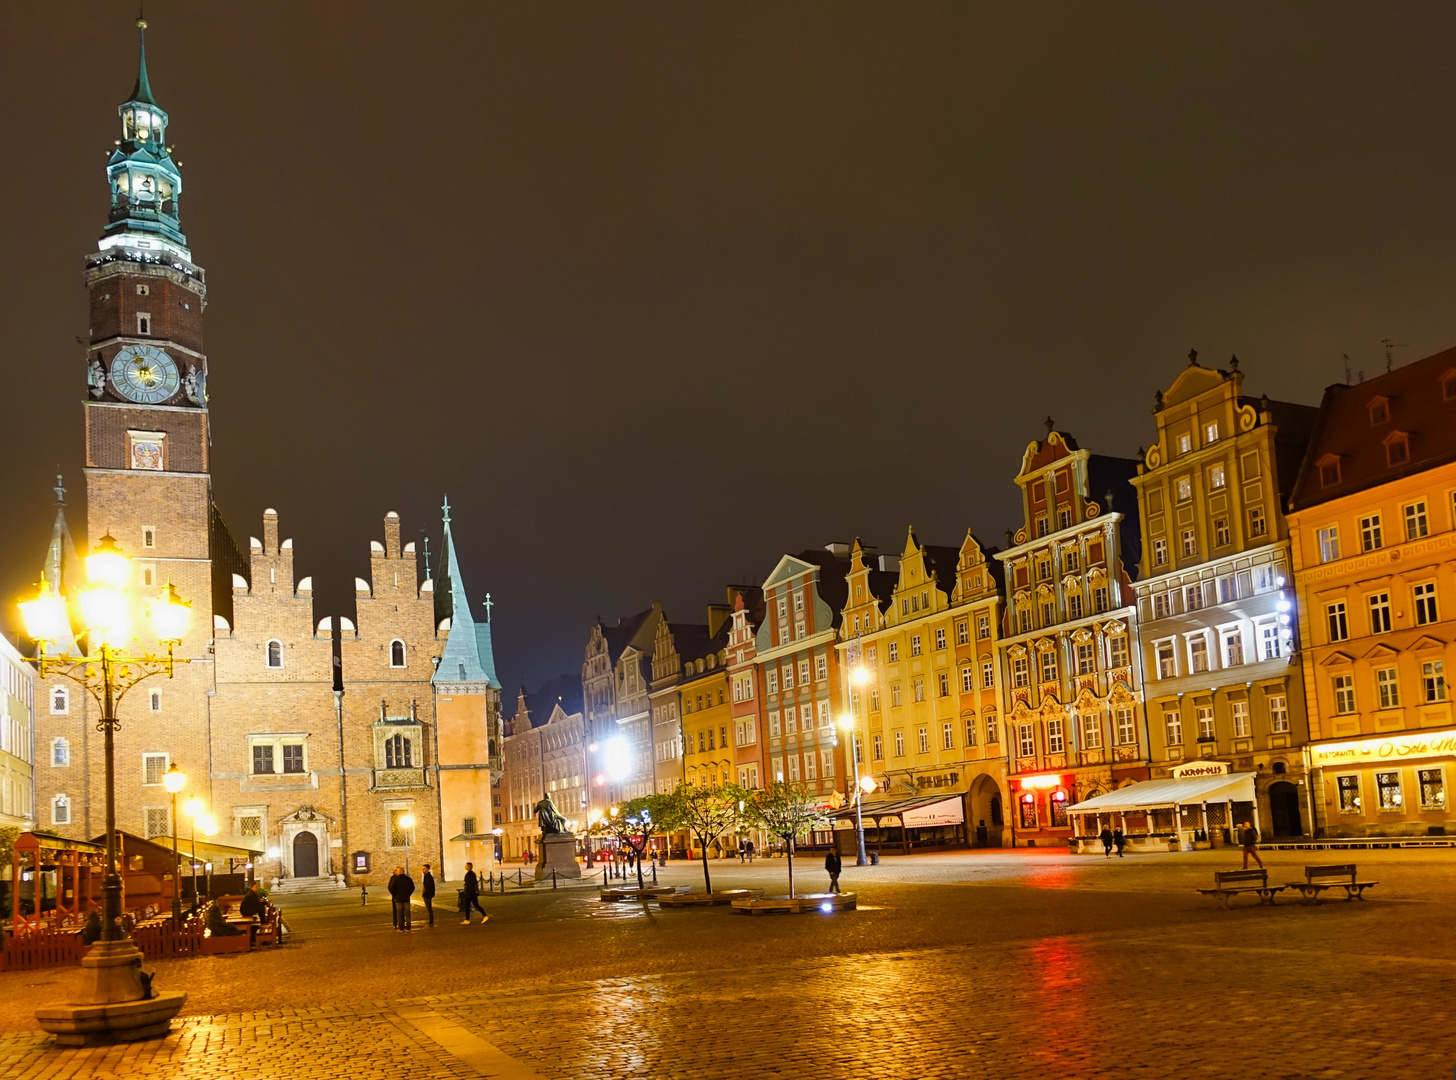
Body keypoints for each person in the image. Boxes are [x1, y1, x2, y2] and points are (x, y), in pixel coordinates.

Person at [388, 866, 415, 931]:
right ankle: (408, 927)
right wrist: (408, 894)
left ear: (399, 872)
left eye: (396, 871)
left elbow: (391, 888)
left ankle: (401, 927)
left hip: (398, 899)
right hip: (406, 898)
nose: (395, 872)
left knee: (399, 914)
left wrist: (395, 894)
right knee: (407, 914)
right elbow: (412, 888)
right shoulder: (408, 879)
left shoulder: (395, 880)